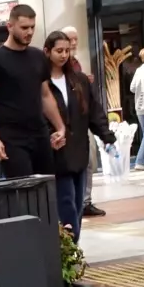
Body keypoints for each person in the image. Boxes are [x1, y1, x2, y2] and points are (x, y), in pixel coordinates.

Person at [42, 31, 115, 243]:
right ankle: (69, 247)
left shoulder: (79, 80)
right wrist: (49, 136)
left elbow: (93, 111)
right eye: (59, 51)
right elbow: (38, 115)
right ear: (47, 51)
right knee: (66, 203)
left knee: (77, 201)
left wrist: (106, 136)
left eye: (67, 50)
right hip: (56, 154)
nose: (64, 55)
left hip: (78, 150)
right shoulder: (41, 83)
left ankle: (72, 245)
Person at [0, 4, 66, 178]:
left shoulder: (38, 56)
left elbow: (45, 95)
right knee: (23, 192)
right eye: (24, 27)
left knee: (46, 191)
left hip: (40, 133)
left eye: (33, 27)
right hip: (11, 137)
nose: (30, 32)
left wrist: (60, 127)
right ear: (10, 26)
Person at [61, 25, 107, 217]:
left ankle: (84, 201)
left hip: (81, 120)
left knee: (87, 161)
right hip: (65, 122)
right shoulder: (58, 66)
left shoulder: (76, 63)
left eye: (75, 39)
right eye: (69, 39)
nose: (73, 43)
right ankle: (76, 202)